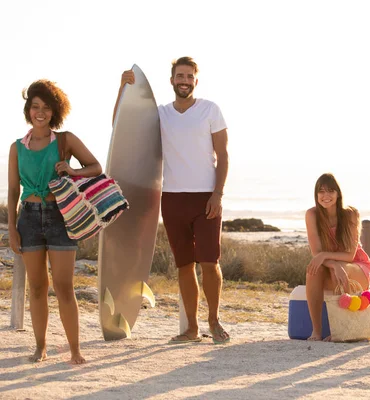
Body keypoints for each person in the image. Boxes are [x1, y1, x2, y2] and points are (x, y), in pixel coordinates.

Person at [115, 57, 230, 344]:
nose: (184, 80)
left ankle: (213, 321)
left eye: (189, 76)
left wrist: (218, 193)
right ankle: (191, 328)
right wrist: (122, 88)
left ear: (196, 81)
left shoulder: (209, 110)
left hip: (205, 198)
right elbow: (120, 126)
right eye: (180, 76)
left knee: (209, 262)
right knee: (183, 266)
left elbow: (224, 155)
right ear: (172, 80)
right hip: (173, 198)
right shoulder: (161, 114)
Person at [8, 80, 102, 364]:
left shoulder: (65, 140)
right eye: (35, 106)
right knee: (37, 288)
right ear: (29, 110)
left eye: (46, 108)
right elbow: (13, 191)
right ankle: (41, 347)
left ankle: (75, 350)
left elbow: (96, 167)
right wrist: (12, 228)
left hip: (60, 217)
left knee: (63, 287)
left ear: (54, 112)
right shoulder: (16, 148)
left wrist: (72, 171)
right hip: (29, 219)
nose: (40, 112)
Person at [305, 173, 370, 341]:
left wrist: (328, 258)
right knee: (313, 271)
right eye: (321, 191)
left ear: (338, 194)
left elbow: (350, 255)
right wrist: (333, 264)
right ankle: (317, 331)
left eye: (330, 191)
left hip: (358, 266)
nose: (325, 196)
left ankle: (339, 331)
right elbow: (316, 254)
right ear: (316, 195)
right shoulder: (312, 215)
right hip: (333, 267)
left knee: (338, 270)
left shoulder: (350, 214)